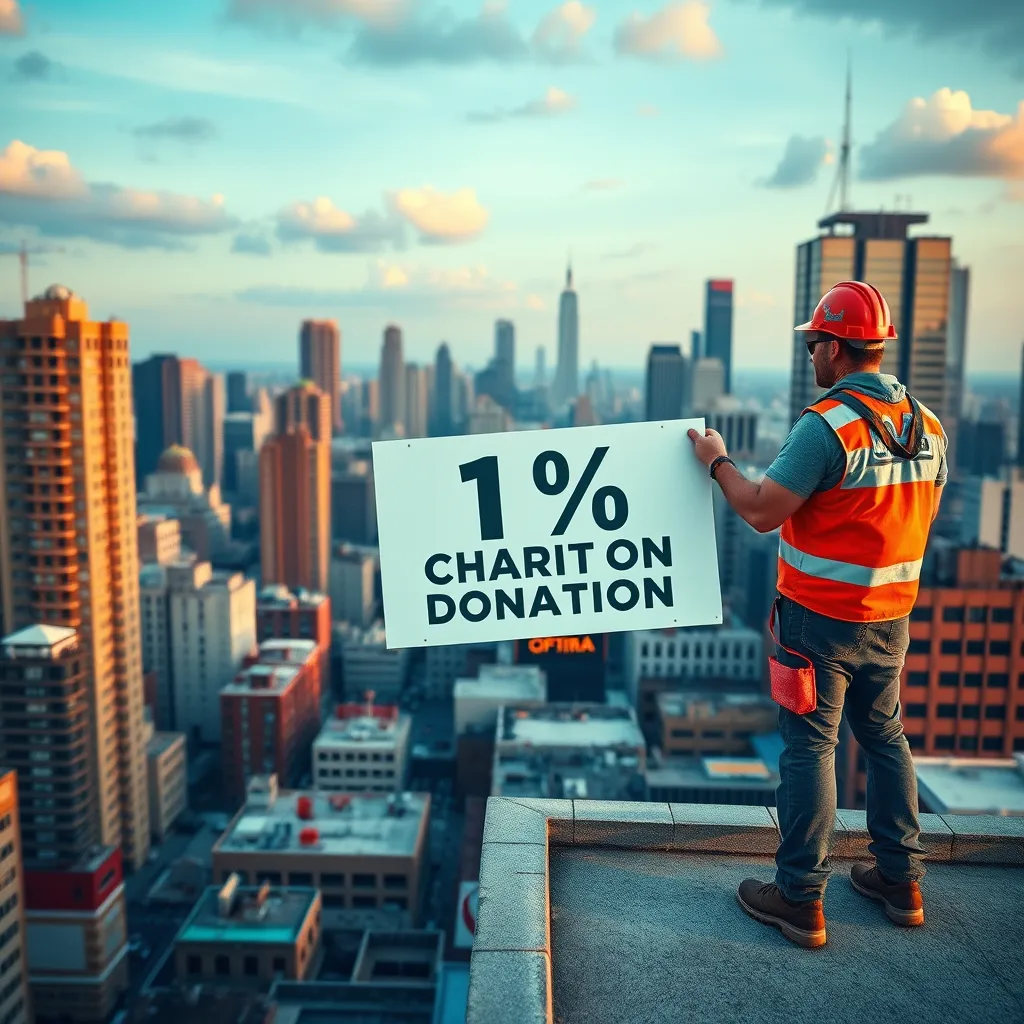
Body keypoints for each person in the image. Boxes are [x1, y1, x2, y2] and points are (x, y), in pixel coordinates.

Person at [688, 280, 946, 949]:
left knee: (811, 748)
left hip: (819, 623)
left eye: (813, 344)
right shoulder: (930, 429)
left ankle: (800, 899)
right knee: (885, 738)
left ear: (835, 347)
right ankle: (902, 881)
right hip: (891, 618)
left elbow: (761, 510)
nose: (810, 356)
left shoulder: (827, 425)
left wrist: (717, 463)